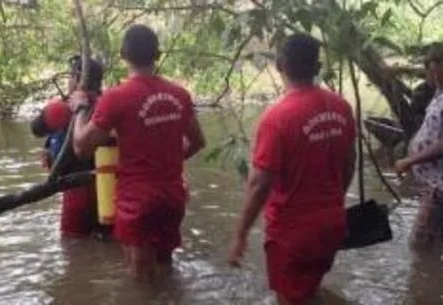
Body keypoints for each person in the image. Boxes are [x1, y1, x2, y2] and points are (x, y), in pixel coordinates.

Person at [69, 24, 205, 282]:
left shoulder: (116, 97)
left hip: (137, 201)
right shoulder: (180, 95)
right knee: (166, 269)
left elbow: (80, 147)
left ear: (122, 54)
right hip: (173, 196)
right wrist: (170, 161)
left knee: (140, 281)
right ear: (158, 54)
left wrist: (79, 110)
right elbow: (197, 142)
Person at [228, 34, 356, 305]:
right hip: (331, 224)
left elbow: (259, 185)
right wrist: (333, 202)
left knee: (289, 298)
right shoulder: (341, 107)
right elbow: (349, 164)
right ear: (317, 67)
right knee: (309, 290)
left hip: (293, 235)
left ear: (279, 65)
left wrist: (240, 234)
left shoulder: (277, 119)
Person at [31, 55, 111, 239]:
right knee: (109, 242)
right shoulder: (110, 104)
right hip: (109, 189)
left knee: (73, 246)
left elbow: (36, 129)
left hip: (76, 190)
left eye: (70, 76)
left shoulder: (64, 108)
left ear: (77, 78)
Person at [395, 43, 443, 251]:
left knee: (420, 246)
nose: (429, 73)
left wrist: (410, 160)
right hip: (431, 183)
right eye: (428, 68)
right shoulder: (437, 93)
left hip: (439, 186)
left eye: (433, 68)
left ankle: (421, 281)